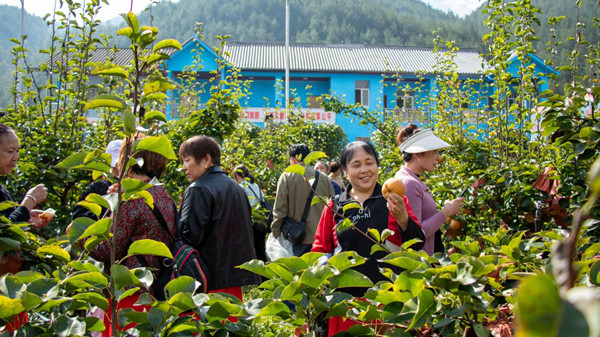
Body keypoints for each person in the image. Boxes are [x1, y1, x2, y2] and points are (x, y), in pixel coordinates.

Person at [311, 141, 425, 335]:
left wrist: (403, 218)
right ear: (345, 171)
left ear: (377, 166)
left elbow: (417, 244)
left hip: (388, 303)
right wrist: (322, 277)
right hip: (345, 305)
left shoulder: (394, 200)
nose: (364, 170)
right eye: (356, 165)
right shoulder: (334, 205)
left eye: (369, 162)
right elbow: (321, 249)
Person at [87, 136, 177, 336]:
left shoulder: (131, 198)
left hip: (128, 294)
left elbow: (105, 249)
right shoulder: (164, 195)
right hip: (155, 290)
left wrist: (82, 237)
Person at [179, 136, 260, 300]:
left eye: (187, 160)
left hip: (207, 280)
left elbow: (189, 237)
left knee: (210, 324)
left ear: (206, 159)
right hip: (232, 280)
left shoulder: (198, 189)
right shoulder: (236, 188)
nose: (184, 167)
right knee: (231, 323)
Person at [0, 123, 49, 332]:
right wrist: (28, 201)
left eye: (18, 151)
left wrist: (27, 218)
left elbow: (9, 222)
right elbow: (4, 232)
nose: (15, 157)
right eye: (9, 151)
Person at [395, 124, 463, 255]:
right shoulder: (409, 183)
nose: (438, 157)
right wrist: (446, 212)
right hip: (421, 265)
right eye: (434, 152)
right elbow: (416, 233)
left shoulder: (411, 179)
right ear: (417, 154)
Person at [271, 144, 335, 256]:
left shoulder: (287, 176)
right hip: (322, 238)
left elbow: (280, 209)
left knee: (299, 272)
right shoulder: (324, 178)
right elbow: (333, 207)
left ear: (292, 160)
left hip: (298, 237)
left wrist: (276, 232)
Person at [71, 139, 122, 221]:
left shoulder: (135, 189)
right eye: (114, 166)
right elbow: (77, 217)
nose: (117, 169)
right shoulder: (97, 188)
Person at [233, 164, 268, 262]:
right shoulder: (255, 185)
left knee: (251, 252)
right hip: (261, 221)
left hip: (251, 222)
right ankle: (265, 275)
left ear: (238, 176)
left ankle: (255, 274)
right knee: (261, 251)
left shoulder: (241, 187)